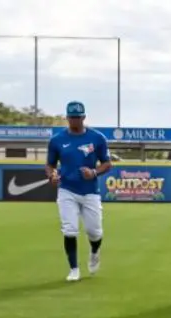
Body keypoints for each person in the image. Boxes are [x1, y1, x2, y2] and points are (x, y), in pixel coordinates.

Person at [45, 101, 111, 282]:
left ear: (84, 117)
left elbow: (107, 163)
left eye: (78, 117)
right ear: (67, 118)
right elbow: (50, 164)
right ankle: (74, 269)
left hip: (90, 191)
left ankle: (95, 251)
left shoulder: (97, 138)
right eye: (72, 117)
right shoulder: (57, 140)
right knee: (69, 230)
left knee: (95, 232)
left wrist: (95, 172)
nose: (75, 120)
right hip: (67, 190)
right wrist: (52, 176)